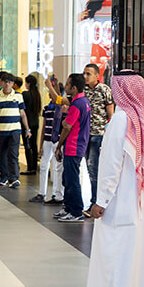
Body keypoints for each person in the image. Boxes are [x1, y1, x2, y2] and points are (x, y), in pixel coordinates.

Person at [80, 71, 144, 287]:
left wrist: (100, 201)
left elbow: (112, 164)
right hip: (142, 204)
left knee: (115, 259)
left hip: (120, 202)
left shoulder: (121, 119)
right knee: (137, 258)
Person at [54, 73, 90, 223]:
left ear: (74, 88)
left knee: (72, 180)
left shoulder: (76, 104)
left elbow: (67, 126)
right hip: (76, 145)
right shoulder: (83, 101)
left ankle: (76, 211)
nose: (66, 87)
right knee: (67, 178)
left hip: (73, 146)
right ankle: (68, 207)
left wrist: (59, 146)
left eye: (68, 85)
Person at [82, 63, 114, 214]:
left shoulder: (104, 90)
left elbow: (110, 113)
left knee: (94, 168)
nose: (85, 76)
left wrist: (109, 132)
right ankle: (94, 200)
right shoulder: (84, 90)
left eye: (88, 74)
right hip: (85, 134)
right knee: (89, 169)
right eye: (84, 73)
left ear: (96, 75)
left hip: (98, 134)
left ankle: (95, 202)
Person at [0, 72, 32, 188]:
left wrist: (27, 129)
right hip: (1, 130)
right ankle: (4, 177)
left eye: (10, 82)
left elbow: (23, 114)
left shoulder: (18, 96)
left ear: (13, 84)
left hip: (15, 130)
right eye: (5, 82)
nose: (8, 84)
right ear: (1, 83)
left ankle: (13, 178)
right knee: (2, 154)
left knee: (13, 154)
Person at [30, 90, 65, 205]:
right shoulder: (47, 108)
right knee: (44, 166)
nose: (49, 93)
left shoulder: (62, 108)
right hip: (47, 140)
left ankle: (56, 193)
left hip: (57, 141)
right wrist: (40, 145)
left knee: (56, 167)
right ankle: (42, 193)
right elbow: (44, 126)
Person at [21, 74, 43, 175]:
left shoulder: (25, 94)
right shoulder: (37, 94)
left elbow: (22, 110)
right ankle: (34, 166)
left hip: (27, 124)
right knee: (34, 145)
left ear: (28, 83)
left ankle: (30, 167)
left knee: (27, 145)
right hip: (35, 123)